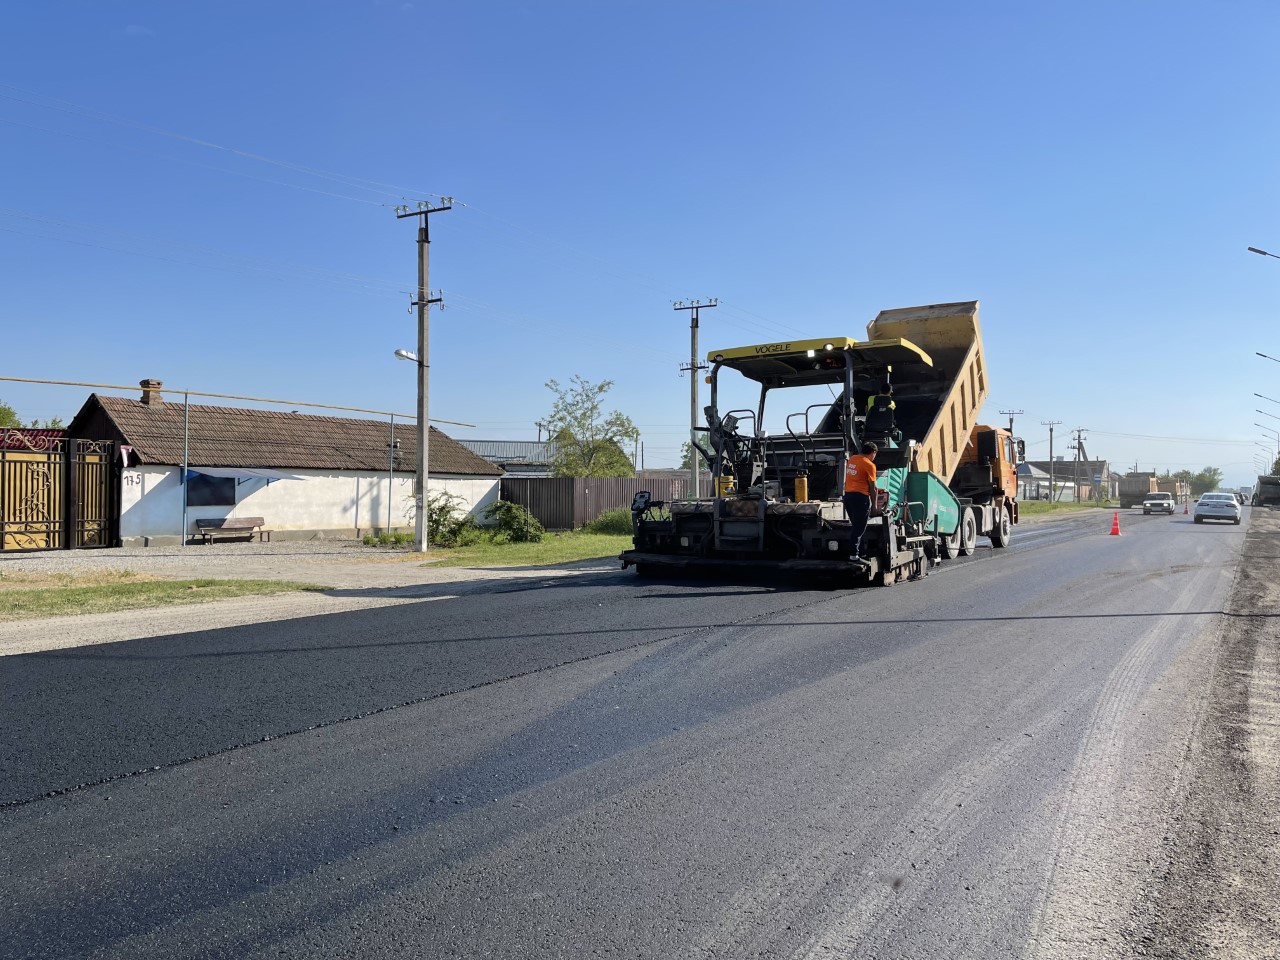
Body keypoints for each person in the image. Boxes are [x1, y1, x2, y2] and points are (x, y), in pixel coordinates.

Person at [843, 441, 878, 566]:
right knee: (859, 528)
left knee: (856, 526)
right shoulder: (869, 465)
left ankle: (861, 553)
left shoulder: (852, 459)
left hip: (848, 496)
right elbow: (873, 488)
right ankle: (854, 555)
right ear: (873, 453)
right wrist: (874, 506)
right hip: (861, 498)